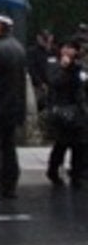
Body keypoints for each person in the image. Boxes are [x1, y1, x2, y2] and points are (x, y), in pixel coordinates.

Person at [0, 14, 27, 200]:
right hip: (14, 106)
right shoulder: (18, 48)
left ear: (0, 27)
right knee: (9, 147)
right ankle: (10, 185)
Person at [43, 39, 87, 188]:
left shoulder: (80, 68)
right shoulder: (54, 64)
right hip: (62, 110)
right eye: (66, 47)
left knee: (79, 145)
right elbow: (54, 82)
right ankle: (53, 171)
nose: (68, 51)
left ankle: (77, 174)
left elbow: (82, 86)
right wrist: (65, 68)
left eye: (72, 48)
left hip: (78, 111)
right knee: (61, 144)